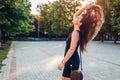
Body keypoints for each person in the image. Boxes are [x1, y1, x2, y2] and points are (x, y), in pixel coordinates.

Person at [58, 4, 104, 80]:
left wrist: (62, 62)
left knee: (64, 78)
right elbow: (75, 14)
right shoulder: (76, 30)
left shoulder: (76, 33)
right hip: (71, 59)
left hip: (71, 61)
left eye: (79, 18)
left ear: (79, 23)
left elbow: (72, 49)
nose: (77, 16)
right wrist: (85, 7)